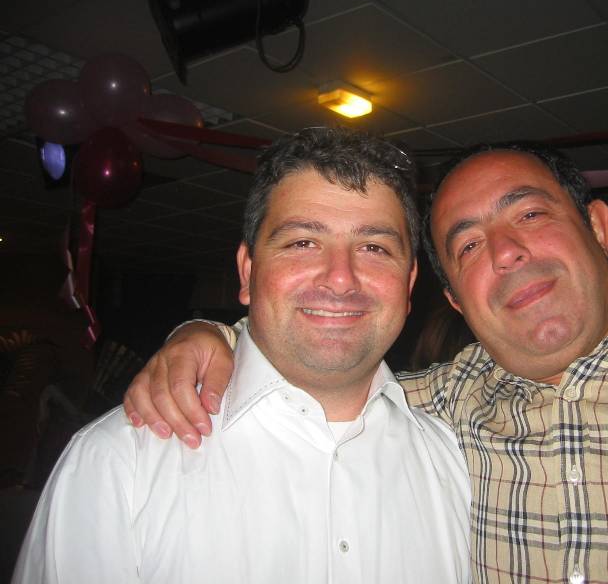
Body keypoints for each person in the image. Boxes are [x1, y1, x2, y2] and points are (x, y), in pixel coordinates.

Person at [123, 141, 608, 584]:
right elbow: (319, 356)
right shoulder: (429, 412)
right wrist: (212, 334)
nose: (505, 252)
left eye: (529, 215)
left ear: (598, 227)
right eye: (469, 245)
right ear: (452, 297)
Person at [13, 128, 471, 583]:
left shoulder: (455, 462)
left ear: (409, 284)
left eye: (374, 247)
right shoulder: (119, 460)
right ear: (247, 271)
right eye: (302, 242)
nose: (340, 278)